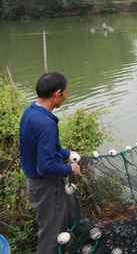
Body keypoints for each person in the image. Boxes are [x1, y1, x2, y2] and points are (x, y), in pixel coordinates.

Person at [20, 72, 96, 254]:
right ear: (57, 93)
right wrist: (70, 168)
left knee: (69, 211)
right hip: (45, 185)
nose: (66, 96)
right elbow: (44, 166)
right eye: (66, 92)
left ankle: (85, 235)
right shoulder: (46, 123)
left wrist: (66, 153)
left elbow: (43, 147)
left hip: (45, 182)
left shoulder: (31, 111)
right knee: (51, 235)